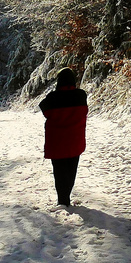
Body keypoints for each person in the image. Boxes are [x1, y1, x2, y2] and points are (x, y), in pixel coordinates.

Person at [39, 67, 88, 207]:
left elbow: (44, 108)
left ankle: (62, 199)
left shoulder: (52, 98)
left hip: (57, 143)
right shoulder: (80, 96)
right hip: (75, 142)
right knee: (71, 170)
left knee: (59, 172)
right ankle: (66, 195)